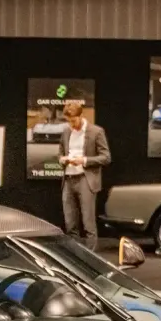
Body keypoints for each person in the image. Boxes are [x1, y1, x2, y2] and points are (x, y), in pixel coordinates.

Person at [57, 102, 111, 251]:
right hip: (68, 179)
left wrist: (84, 160)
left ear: (81, 115)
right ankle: (75, 254)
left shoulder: (96, 131)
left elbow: (106, 157)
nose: (71, 124)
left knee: (88, 223)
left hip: (85, 180)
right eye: (68, 121)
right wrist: (62, 159)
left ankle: (91, 255)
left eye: (73, 121)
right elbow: (60, 151)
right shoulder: (66, 131)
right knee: (70, 223)